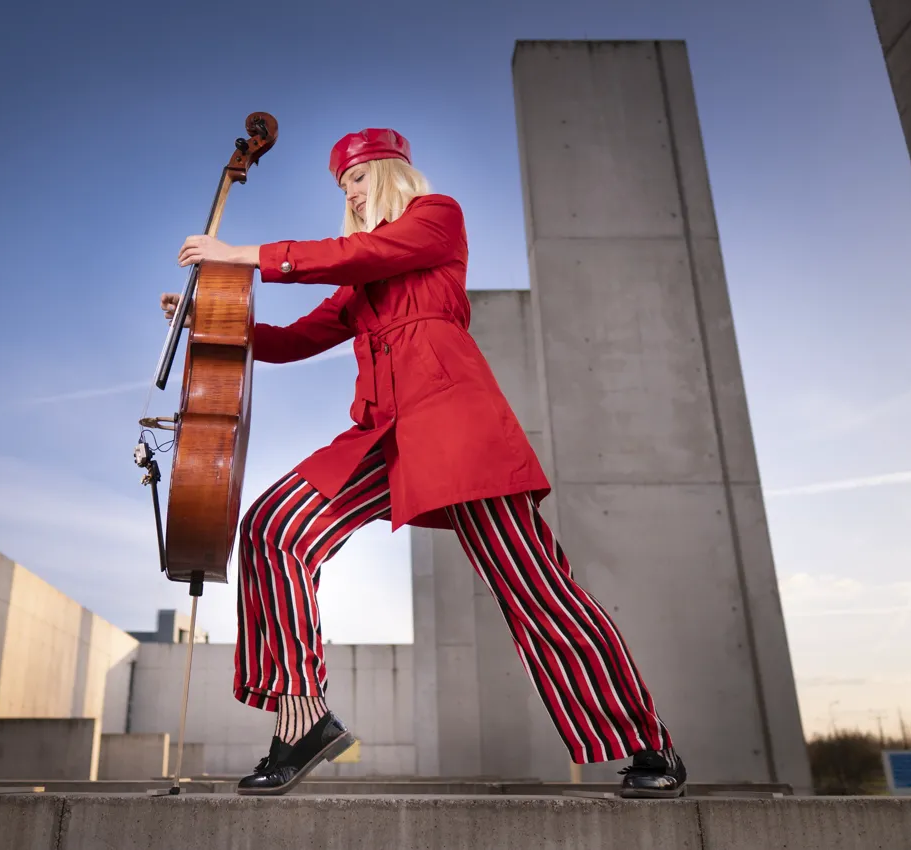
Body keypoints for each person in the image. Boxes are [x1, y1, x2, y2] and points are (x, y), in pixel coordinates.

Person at [161, 127, 687, 798]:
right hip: (385, 433)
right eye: (341, 185)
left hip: (456, 427)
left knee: (535, 589)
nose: (347, 192)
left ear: (389, 173)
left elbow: (365, 250)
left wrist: (244, 256)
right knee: (273, 528)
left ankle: (648, 746)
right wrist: (208, 319)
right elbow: (296, 339)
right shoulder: (363, 278)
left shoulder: (436, 220)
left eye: (355, 178)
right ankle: (304, 721)